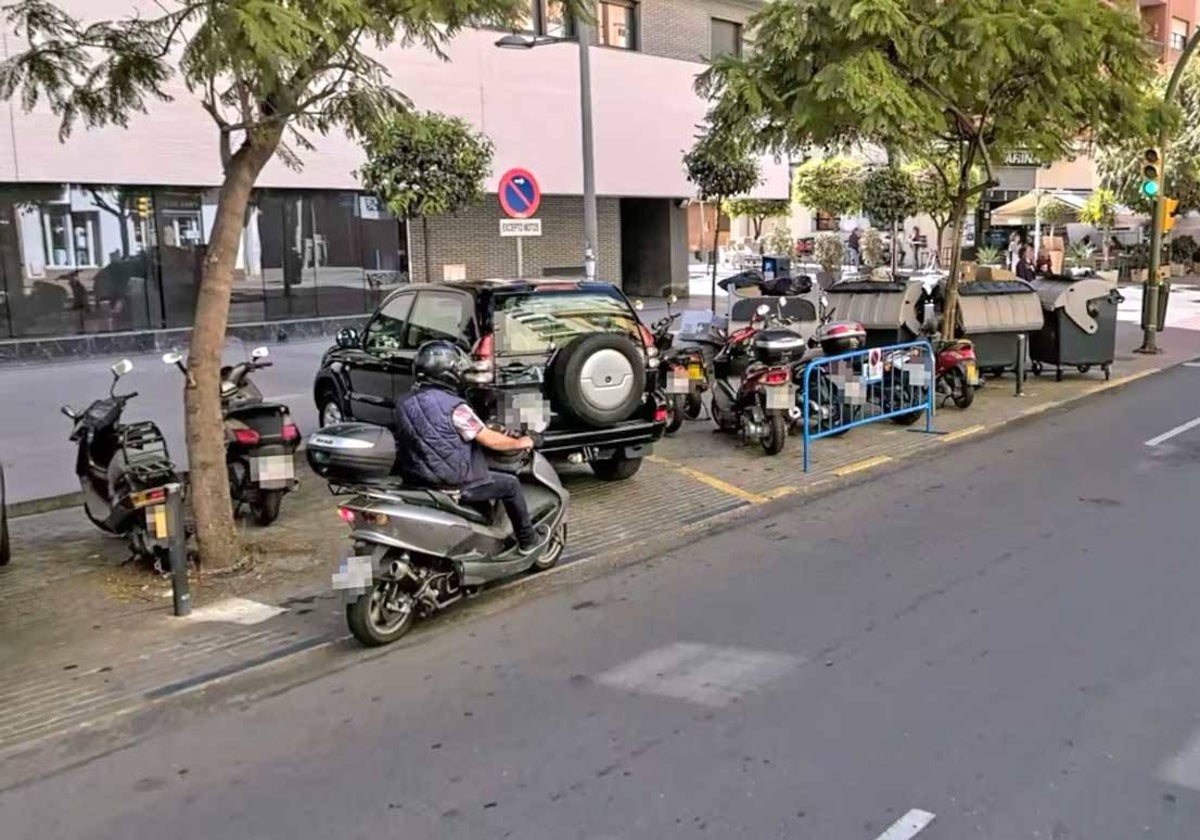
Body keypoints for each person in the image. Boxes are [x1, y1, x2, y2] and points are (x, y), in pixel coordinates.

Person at [393, 341, 539, 553]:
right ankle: (528, 541)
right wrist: (524, 442)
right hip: (454, 485)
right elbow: (491, 440)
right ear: (449, 373)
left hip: (418, 481)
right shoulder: (455, 407)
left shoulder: (403, 403)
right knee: (511, 485)